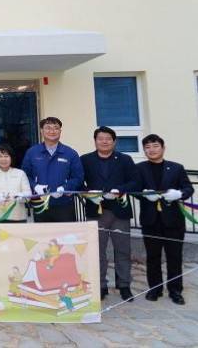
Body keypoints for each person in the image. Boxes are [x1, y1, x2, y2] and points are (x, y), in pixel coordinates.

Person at [81, 127, 141, 302]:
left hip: (119, 211)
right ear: (95, 141)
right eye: (101, 138)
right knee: (97, 251)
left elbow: (135, 182)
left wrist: (120, 190)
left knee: (123, 250)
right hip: (95, 211)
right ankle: (100, 286)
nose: (104, 141)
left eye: (108, 138)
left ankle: (124, 285)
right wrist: (88, 192)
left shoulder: (125, 159)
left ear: (114, 142)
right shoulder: (85, 159)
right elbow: (77, 180)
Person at [137, 134, 194, 305]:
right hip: (150, 220)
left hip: (173, 221)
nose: (151, 150)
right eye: (147, 147)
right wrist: (144, 195)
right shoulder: (139, 168)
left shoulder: (176, 168)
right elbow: (134, 189)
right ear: (144, 150)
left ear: (163, 148)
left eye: (155, 146)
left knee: (174, 257)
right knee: (152, 257)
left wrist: (179, 194)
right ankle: (155, 289)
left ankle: (175, 290)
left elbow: (188, 188)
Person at [21, 117, 84, 222]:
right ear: (42, 131)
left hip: (64, 204)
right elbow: (24, 175)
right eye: (48, 128)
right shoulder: (32, 152)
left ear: (60, 131)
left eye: (56, 128)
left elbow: (78, 177)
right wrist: (35, 186)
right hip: (40, 204)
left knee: (66, 233)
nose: (52, 131)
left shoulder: (70, 153)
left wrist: (65, 188)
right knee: (43, 232)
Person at [0, 144, 32, 223]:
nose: (3, 159)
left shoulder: (20, 173)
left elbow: (28, 195)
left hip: (18, 217)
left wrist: (20, 196)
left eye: (6, 156)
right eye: (0, 156)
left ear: (11, 157)